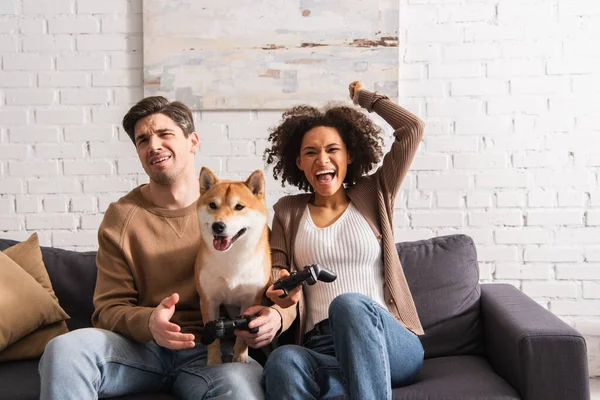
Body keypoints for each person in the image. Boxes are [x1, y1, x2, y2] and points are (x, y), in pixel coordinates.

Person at [38, 96, 292, 399]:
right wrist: (149, 323)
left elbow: (281, 284)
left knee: (239, 388)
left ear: (193, 141)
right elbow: (107, 309)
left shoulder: (242, 217)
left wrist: (278, 317)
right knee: (65, 349)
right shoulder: (121, 218)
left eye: (164, 134)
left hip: (210, 353)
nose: (153, 145)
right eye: (143, 139)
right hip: (141, 350)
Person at [261, 81, 426, 399]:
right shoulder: (287, 211)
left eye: (331, 149)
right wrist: (281, 286)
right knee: (283, 360)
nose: (322, 159)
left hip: (386, 340)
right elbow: (277, 269)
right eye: (311, 152)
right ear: (299, 163)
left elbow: (412, 128)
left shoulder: (375, 191)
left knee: (347, 303)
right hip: (320, 345)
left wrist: (365, 98)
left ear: (349, 155)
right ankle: (352, 384)